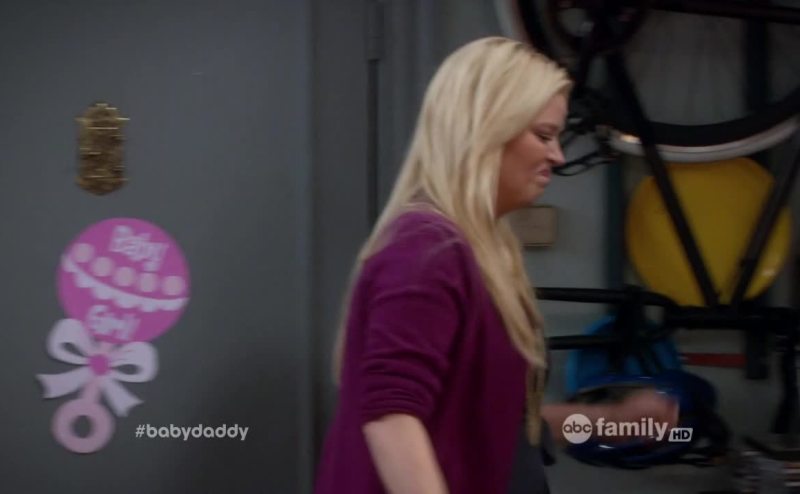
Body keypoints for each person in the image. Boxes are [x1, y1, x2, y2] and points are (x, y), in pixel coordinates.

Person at [314, 36, 678, 494]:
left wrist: (616, 422)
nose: (557, 156)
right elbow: (392, 418)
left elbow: (505, 430)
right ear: (486, 129)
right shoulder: (426, 251)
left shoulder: (481, 251)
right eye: (543, 136)